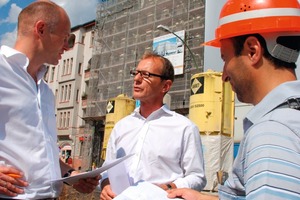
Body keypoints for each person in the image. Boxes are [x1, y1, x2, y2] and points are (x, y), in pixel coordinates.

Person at [167, 0, 300, 199]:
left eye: (225, 59)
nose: (224, 75)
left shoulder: (271, 132)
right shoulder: (288, 119)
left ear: (252, 50)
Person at [0, 1, 100, 199]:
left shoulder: (45, 90)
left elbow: (42, 151)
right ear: (41, 29)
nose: (67, 46)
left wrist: (69, 174)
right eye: (66, 38)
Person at [100, 52, 206, 199]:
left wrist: (169, 187)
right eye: (136, 73)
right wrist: (105, 185)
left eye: (146, 75)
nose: (136, 79)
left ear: (165, 86)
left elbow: (197, 177)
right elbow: (107, 169)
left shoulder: (184, 128)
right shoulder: (121, 127)